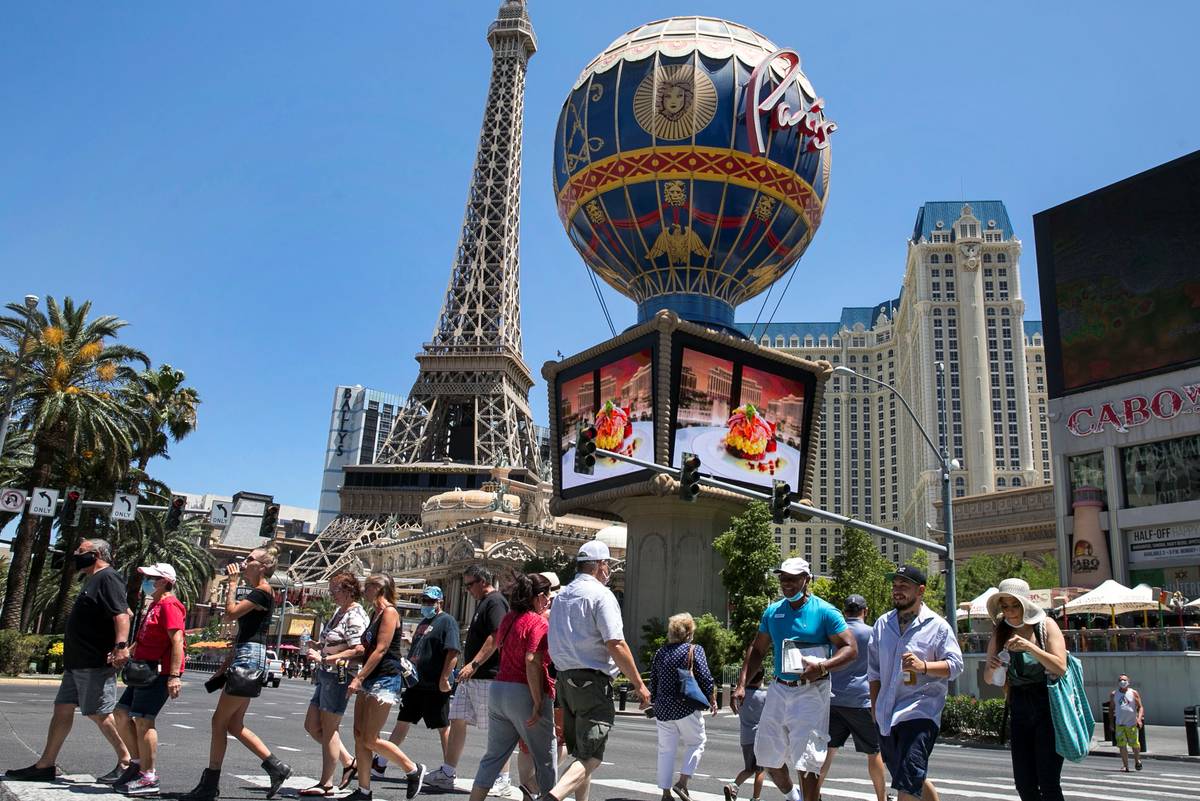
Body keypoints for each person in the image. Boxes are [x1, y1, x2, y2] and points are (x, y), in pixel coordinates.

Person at [5, 539, 134, 784]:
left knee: (100, 713)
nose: (75, 555)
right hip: (77, 662)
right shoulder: (94, 579)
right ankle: (45, 764)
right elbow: (126, 611)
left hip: (94, 661)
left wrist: (120, 646)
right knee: (62, 709)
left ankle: (127, 761)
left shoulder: (108, 577)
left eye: (81, 552)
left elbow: (121, 614)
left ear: (96, 554)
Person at [733, 558, 857, 801]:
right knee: (767, 755)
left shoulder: (825, 612)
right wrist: (741, 684)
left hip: (812, 690)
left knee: (807, 758)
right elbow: (757, 649)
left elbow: (850, 648)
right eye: (783, 578)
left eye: (792, 578)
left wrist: (822, 667)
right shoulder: (773, 611)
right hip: (779, 689)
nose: (786, 584)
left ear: (806, 580)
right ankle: (795, 796)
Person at [541, 540, 651, 801]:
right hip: (592, 681)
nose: (609, 571)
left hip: (565, 681)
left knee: (580, 750)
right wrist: (639, 683)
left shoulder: (562, 596)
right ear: (600, 566)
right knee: (591, 756)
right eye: (608, 565)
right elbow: (616, 643)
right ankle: (551, 797)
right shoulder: (601, 595)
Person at [179, 548, 292, 801]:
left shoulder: (262, 591)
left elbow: (231, 613)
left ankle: (211, 783)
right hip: (247, 654)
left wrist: (231, 584)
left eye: (250, 559)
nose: (244, 562)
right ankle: (276, 767)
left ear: (262, 567)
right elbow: (245, 631)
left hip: (250, 657)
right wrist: (227, 661)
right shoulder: (259, 591)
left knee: (219, 721)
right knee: (233, 724)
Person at [868, 566, 963, 801]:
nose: (897, 590)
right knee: (909, 778)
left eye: (904, 586)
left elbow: (956, 666)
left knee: (909, 780)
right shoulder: (882, 624)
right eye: (895, 585)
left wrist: (924, 667)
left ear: (920, 590)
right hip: (887, 715)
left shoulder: (937, 626)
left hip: (920, 713)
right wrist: (874, 709)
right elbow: (874, 671)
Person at [469, 573, 558, 801]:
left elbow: (501, 648)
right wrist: (538, 701)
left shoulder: (508, 619)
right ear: (538, 597)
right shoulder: (538, 622)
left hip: (499, 689)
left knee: (493, 757)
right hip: (523, 691)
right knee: (546, 758)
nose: (549, 600)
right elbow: (532, 660)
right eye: (547, 595)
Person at [985, 577, 1068, 800]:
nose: (1010, 611)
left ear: (1025, 603)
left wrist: (1030, 647)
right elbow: (988, 678)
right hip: (1018, 707)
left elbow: (1060, 667)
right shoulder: (1000, 631)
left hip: (1048, 708)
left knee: (1049, 783)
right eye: (1005, 606)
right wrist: (993, 667)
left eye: (1015, 605)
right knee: (1024, 785)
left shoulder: (1045, 625)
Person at [344, 574, 426, 801]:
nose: (364, 591)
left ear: (378, 588)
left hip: (384, 679)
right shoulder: (375, 613)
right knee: (359, 734)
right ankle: (363, 790)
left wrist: (358, 677)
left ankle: (412, 769)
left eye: (367, 587)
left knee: (371, 738)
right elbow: (367, 649)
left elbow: (381, 650)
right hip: (371, 678)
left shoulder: (390, 612)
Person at [430, 566, 511, 792]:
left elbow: (496, 635)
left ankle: (503, 778)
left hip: (486, 675)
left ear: (483, 580)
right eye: (464, 585)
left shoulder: (495, 601)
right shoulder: (483, 602)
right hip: (472, 676)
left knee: (497, 729)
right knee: (457, 720)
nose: (466, 590)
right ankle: (448, 771)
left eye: (469, 584)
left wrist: (474, 664)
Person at [112, 563, 187, 796]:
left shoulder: (170, 605)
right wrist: (127, 652)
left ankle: (149, 776)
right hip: (143, 669)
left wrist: (174, 676)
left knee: (144, 721)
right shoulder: (156, 604)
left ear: (164, 581)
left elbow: (177, 642)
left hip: (159, 672)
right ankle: (138, 764)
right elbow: (144, 637)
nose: (146, 581)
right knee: (122, 714)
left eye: (151, 578)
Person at [374, 586, 460, 779]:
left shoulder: (447, 621)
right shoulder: (424, 622)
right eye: (424, 601)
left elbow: (453, 651)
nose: (426, 605)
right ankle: (380, 763)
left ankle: (449, 769)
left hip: (434, 684)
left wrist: (445, 678)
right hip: (415, 683)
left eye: (431, 601)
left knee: (443, 726)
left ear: (440, 602)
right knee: (402, 722)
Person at [301, 571, 371, 796]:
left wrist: (326, 657)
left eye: (336, 591)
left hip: (340, 674)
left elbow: (359, 649)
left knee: (330, 729)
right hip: (326, 673)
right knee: (312, 725)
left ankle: (326, 783)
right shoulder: (339, 612)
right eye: (331, 590)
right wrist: (318, 645)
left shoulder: (355, 615)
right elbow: (333, 641)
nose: (332, 595)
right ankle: (349, 762)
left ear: (350, 591)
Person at [817, 594, 888, 801]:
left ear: (844, 611)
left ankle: (813, 794)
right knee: (874, 752)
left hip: (833, 698)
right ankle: (881, 798)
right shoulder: (873, 632)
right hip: (862, 699)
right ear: (864, 611)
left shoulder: (835, 632)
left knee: (826, 750)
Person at [650, 613, 717, 801]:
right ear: (688, 633)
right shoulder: (694, 650)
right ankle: (682, 783)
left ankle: (665, 794)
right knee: (697, 741)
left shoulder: (660, 652)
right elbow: (704, 676)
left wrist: (654, 701)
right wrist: (711, 698)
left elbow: (654, 680)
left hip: (663, 708)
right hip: (685, 705)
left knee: (665, 750)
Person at [724, 669, 766, 801]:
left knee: (749, 769)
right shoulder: (764, 696)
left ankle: (733, 786)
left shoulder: (741, 696)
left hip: (746, 738)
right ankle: (756, 798)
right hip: (760, 738)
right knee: (760, 770)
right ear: (761, 679)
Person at [1111, 674, 1144, 773]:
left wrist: (1139, 719)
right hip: (1120, 724)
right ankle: (1125, 766)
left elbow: (1140, 707)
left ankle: (1137, 760)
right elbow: (1111, 708)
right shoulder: (1114, 694)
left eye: (1124, 680)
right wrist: (1111, 723)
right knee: (1122, 745)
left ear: (1128, 682)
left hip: (1131, 723)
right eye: (1120, 680)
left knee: (1135, 744)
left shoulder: (1133, 693)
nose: (1122, 682)